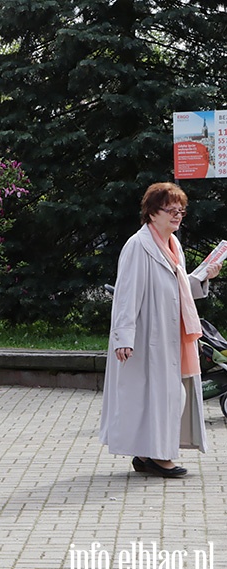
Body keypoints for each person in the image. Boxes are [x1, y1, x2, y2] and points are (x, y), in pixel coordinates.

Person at [101, 182, 220, 478]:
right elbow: (126, 296)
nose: (178, 215)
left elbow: (174, 288)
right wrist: (124, 338)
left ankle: (147, 455)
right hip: (146, 335)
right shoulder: (137, 245)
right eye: (171, 210)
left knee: (167, 394)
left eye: (181, 210)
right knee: (159, 396)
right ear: (152, 213)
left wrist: (203, 276)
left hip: (170, 334)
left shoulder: (172, 244)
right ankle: (157, 456)